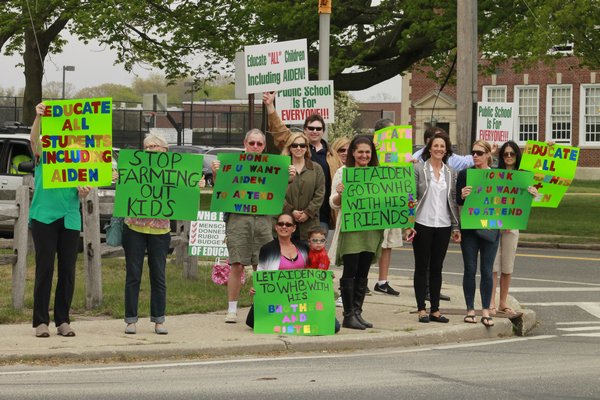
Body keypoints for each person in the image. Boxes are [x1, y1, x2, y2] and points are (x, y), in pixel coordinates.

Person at [212, 129, 295, 323]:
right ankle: (232, 309)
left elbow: (279, 192)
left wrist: (288, 176)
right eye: (252, 143)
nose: (256, 146)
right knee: (236, 263)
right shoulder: (232, 164)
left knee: (264, 264)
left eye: (259, 143)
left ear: (264, 146)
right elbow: (221, 189)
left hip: (264, 220)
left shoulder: (273, 166)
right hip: (238, 219)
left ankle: (263, 307)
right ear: (245, 143)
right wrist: (217, 173)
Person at [29, 102, 91, 338]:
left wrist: (84, 192)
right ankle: (40, 322)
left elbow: (86, 185)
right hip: (44, 216)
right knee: (45, 268)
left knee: (68, 270)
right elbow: (34, 140)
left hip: (70, 217)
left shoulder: (81, 159)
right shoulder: (45, 151)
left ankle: (63, 320)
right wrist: (39, 118)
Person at [247, 214, 340, 333]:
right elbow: (261, 275)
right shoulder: (267, 249)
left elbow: (315, 269)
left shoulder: (303, 247)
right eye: (281, 224)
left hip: (302, 299)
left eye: (288, 224)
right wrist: (256, 289)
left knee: (334, 327)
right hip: (277, 300)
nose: (284, 226)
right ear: (276, 227)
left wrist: (325, 277)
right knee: (256, 322)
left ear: (294, 228)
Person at [403, 133, 461, 323]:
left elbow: (452, 200)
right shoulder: (418, 169)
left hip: (443, 225)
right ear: (429, 148)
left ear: (446, 150)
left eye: (442, 146)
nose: (439, 149)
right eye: (435, 146)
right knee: (421, 267)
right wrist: (409, 224)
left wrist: (455, 227)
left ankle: (435, 309)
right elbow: (411, 198)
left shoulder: (451, 172)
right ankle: (421, 309)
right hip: (422, 224)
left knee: (437, 268)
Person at [263, 92, 342, 232]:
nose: (314, 131)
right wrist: (270, 106)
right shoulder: (296, 145)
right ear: (305, 130)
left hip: (321, 215)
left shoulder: (332, 154)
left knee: (316, 253)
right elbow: (279, 130)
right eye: (311, 128)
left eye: (318, 129)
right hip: (289, 213)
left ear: (323, 131)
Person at [329, 135, 383, 330]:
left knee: (364, 271)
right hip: (352, 229)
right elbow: (332, 204)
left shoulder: (378, 174)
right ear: (353, 153)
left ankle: (358, 312)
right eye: (360, 151)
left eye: (367, 152)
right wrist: (340, 194)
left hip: (371, 230)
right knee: (350, 271)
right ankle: (348, 314)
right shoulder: (344, 172)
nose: (364, 155)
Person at [122, 133, 172, 335]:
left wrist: (197, 185)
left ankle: (159, 320)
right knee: (133, 275)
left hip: (161, 231)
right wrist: (118, 177)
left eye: (154, 147)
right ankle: (130, 320)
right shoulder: (134, 167)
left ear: (164, 150)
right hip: (134, 228)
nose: (150, 150)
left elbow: (184, 191)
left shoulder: (173, 170)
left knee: (158, 276)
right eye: (147, 147)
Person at [490, 141, 538, 316]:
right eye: (505, 154)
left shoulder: (523, 177)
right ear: (501, 157)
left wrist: (533, 194)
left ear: (517, 156)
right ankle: (491, 302)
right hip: (494, 225)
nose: (509, 157)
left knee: (507, 265)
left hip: (513, 225)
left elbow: (547, 178)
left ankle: (503, 302)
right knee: (493, 266)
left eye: (512, 154)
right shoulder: (495, 174)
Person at [456, 140, 499, 327]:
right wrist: (463, 195)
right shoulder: (465, 174)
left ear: (488, 155)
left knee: (487, 270)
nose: (475, 156)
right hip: (470, 228)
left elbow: (511, 196)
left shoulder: (497, 175)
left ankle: (486, 311)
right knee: (470, 268)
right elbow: (457, 200)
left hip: (490, 228)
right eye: (473, 152)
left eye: (480, 153)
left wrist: (531, 191)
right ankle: (470, 309)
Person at [372, 118, 402, 296]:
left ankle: (382, 281)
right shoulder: (372, 152)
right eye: (391, 131)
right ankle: (363, 279)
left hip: (392, 205)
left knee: (388, 243)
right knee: (371, 243)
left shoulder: (399, 153)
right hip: (375, 206)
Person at [281, 132, 325, 240]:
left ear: (307, 148)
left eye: (302, 145)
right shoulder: (281, 169)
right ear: (290, 148)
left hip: (310, 225)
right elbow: (276, 194)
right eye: (295, 145)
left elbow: (320, 194)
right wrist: (291, 211)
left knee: (309, 256)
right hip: (286, 223)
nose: (298, 148)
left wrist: (308, 212)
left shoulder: (316, 168)